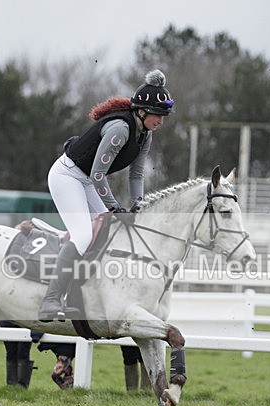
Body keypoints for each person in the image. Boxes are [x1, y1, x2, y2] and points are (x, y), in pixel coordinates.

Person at [38, 69, 174, 321]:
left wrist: (137, 206)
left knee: (109, 232)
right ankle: (51, 299)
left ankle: (81, 294)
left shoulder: (145, 135)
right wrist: (115, 207)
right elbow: (98, 175)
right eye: (158, 115)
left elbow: (136, 174)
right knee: (82, 235)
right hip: (67, 176)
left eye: (164, 116)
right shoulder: (120, 130)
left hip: (87, 178)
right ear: (141, 112)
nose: (161, 121)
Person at [0, 321, 38, 388]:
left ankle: (22, 386)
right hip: (8, 320)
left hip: (25, 319)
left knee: (23, 352)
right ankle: (11, 385)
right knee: (10, 353)